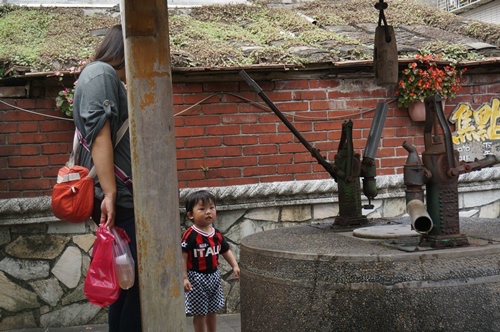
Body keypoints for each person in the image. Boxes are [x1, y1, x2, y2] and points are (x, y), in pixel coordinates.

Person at [73, 25, 142, 332]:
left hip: (120, 198)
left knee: (126, 285)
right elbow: (100, 134)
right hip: (119, 200)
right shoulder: (101, 73)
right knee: (138, 286)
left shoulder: (103, 76)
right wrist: (111, 193)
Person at [181, 190, 240, 332]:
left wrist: (235, 265)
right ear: (190, 215)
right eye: (202, 209)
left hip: (214, 276)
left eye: (211, 208)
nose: (208, 212)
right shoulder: (190, 235)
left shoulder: (216, 234)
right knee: (200, 312)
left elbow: (225, 250)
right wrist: (184, 277)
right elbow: (183, 256)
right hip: (196, 278)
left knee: (212, 310)